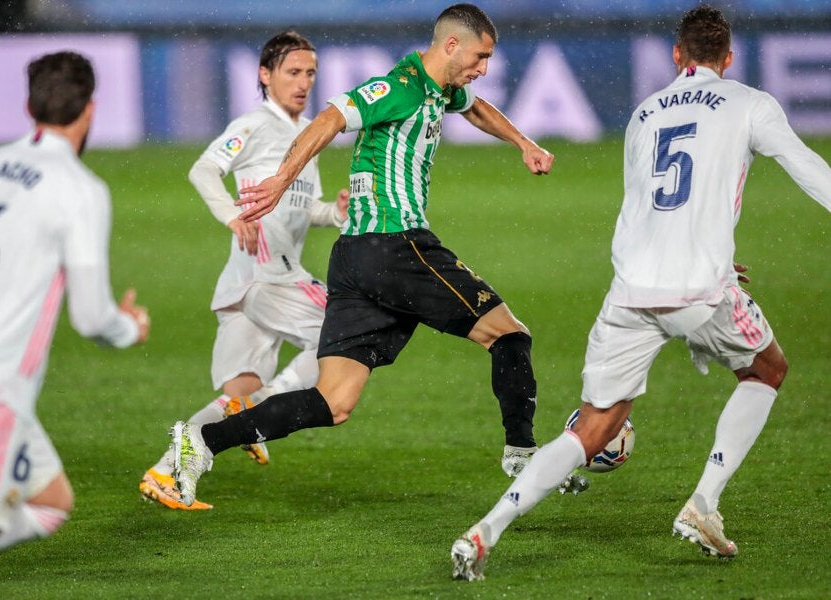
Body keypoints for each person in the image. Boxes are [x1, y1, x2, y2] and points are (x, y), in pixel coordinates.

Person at [450, 4, 831, 581]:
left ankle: (484, 532)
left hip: (631, 290)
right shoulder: (750, 102)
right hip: (699, 288)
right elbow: (805, 165)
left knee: (592, 428)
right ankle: (702, 504)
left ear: (676, 56)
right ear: (728, 58)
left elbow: (645, 206)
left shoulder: (646, 112)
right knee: (766, 371)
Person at [169, 2, 583, 509]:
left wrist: (522, 141)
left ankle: (202, 443)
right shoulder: (400, 86)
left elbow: (474, 106)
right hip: (398, 244)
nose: (484, 69)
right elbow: (330, 117)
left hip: (353, 260)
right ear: (451, 44)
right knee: (510, 335)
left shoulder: (443, 90)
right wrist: (281, 178)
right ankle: (522, 452)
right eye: (480, 56)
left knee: (333, 402)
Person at [0, 51, 149, 598]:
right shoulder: (78, 189)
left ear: (28, 105)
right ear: (91, 110)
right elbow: (91, 316)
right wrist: (128, 328)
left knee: (53, 501)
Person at [139, 30, 348, 511]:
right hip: (267, 276)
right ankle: (263, 407)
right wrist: (232, 216)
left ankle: (164, 470)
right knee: (344, 336)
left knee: (237, 393)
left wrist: (332, 213)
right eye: (293, 72)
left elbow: (294, 208)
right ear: (264, 75)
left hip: (248, 282)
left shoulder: (308, 130)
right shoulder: (255, 124)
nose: (303, 82)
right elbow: (202, 170)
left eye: (310, 73)